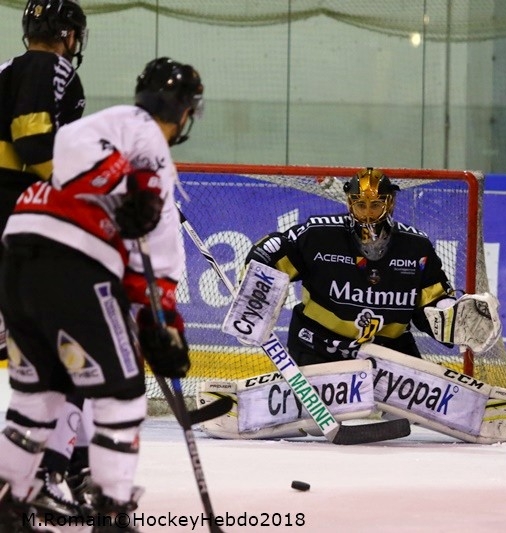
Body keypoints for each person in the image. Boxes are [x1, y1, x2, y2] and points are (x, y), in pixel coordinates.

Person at [0, 56, 202, 532]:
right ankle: (112, 514)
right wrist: (162, 325)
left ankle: (8, 506)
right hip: (72, 263)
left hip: (15, 256)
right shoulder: (149, 138)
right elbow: (152, 263)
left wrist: (117, 181)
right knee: (122, 396)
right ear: (186, 112)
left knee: (38, 394)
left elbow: (71, 167)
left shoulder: (87, 129)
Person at [0, 0, 95, 519]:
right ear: (66, 34)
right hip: (18, 220)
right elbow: (34, 139)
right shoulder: (45, 65)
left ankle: (64, 465)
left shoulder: (11, 69)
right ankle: (51, 472)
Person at [244, 167, 460, 365]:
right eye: (361, 205)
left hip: (388, 351)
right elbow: (274, 250)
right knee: (302, 408)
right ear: (350, 204)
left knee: (421, 408)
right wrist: (252, 285)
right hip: (318, 349)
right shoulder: (319, 235)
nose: (367, 214)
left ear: (391, 202)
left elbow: (433, 301)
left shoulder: (416, 247)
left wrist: (452, 317)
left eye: (376, 205)